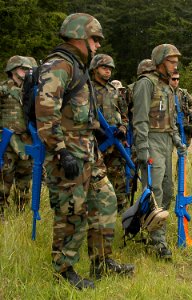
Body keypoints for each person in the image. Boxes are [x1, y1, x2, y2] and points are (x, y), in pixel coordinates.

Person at [35, 13, 134, 290]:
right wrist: (60, 151)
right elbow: (45, 113)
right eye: (94, 39)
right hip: (67, 155)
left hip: (89, 151)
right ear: (79, 36)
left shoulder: (78, 67)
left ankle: (102, 262)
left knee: (105, 201)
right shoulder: (59, 66)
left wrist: (97, 130)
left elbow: (77, 112)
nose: (97, 46)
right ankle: (63, 272)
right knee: (71, 213)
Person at [132, 44, 186, 260]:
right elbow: (141, 119)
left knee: (168, 189)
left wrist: (177, 140)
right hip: (151, 139)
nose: (175, 66)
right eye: (172, 62)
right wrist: (143, 147)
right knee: (153, 190)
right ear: (160, 61)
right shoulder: (146, 84)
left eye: (176, 62)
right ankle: (158, 242)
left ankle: (153, 230)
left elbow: (171, 119)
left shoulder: (168, 87)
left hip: (166, 141)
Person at [90, 54, 129, 212]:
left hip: (115, 144)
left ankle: (121, 212)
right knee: (95, 180)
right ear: (95, 69)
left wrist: (123, 129)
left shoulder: (114, 91)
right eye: (104, 68)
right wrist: (97, 129)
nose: (108, 71)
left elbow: (125, 116)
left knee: (118, 178)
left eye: (110, 69)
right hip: (95, 143)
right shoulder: (87, 89)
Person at [0, 55, 33, 217]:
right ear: (13, 70)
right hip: (6, 142)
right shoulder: (3, 89)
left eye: (28, 69)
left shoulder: (31, 90)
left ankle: (20, 215)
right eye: (23, 68)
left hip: (26, 141)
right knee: (3, 181)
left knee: (25, 181)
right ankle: (1, 215)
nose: (26, 71)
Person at [169, 70, 192, 145]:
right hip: (169, 127)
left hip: (183, 127)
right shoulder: (164, 93)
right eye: (173, 79)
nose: (176, 81)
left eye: (177, 79)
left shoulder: (183, 93)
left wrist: (190, 112)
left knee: (183, 153)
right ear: (168, 79)